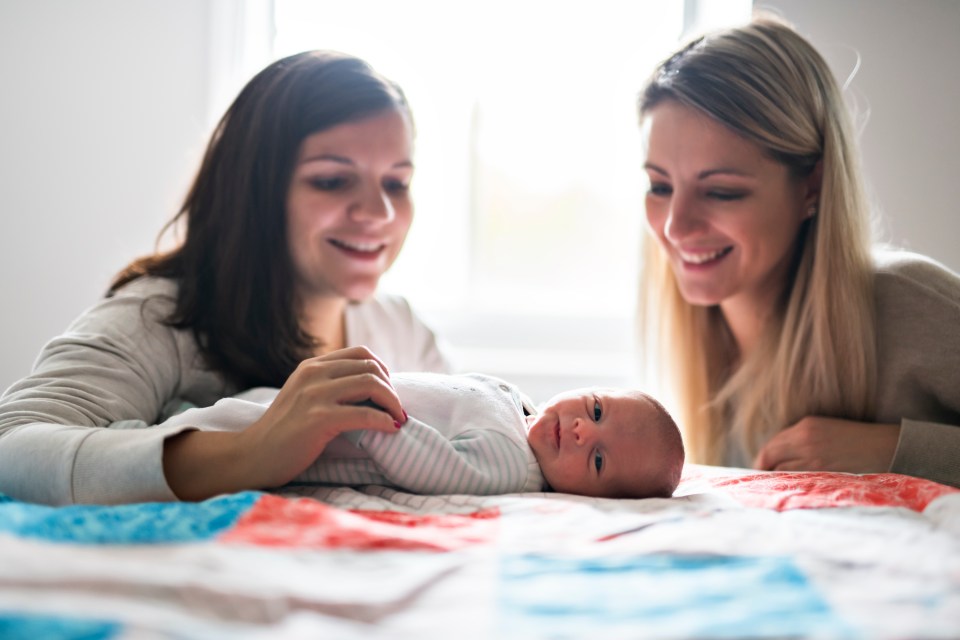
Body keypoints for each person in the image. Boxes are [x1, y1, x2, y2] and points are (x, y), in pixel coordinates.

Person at [0, 51, 452, 506]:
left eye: (397, 183)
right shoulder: (160, 319)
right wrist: (252, 450)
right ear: (253, 190)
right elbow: (11, 446)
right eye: (333, 181)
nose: (380, 213)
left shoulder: (401, 329)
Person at [636, 16, 960, 487]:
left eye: (722, 192)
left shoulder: (906, 304)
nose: (674, 225)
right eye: (659, 186)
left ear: (812, 185)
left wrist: (890, 449)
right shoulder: (699, 341)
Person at [155, 368, 685, 499]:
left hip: (325, 433)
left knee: (232, 425)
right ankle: (179, 412)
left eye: (596, 461)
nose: (577, 430)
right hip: (310, 404)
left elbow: (433, 468)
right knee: (246, 404)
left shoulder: (510, 467)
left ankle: (152, 430)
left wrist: (363, 424)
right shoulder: (515, 411)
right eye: (595, 410)